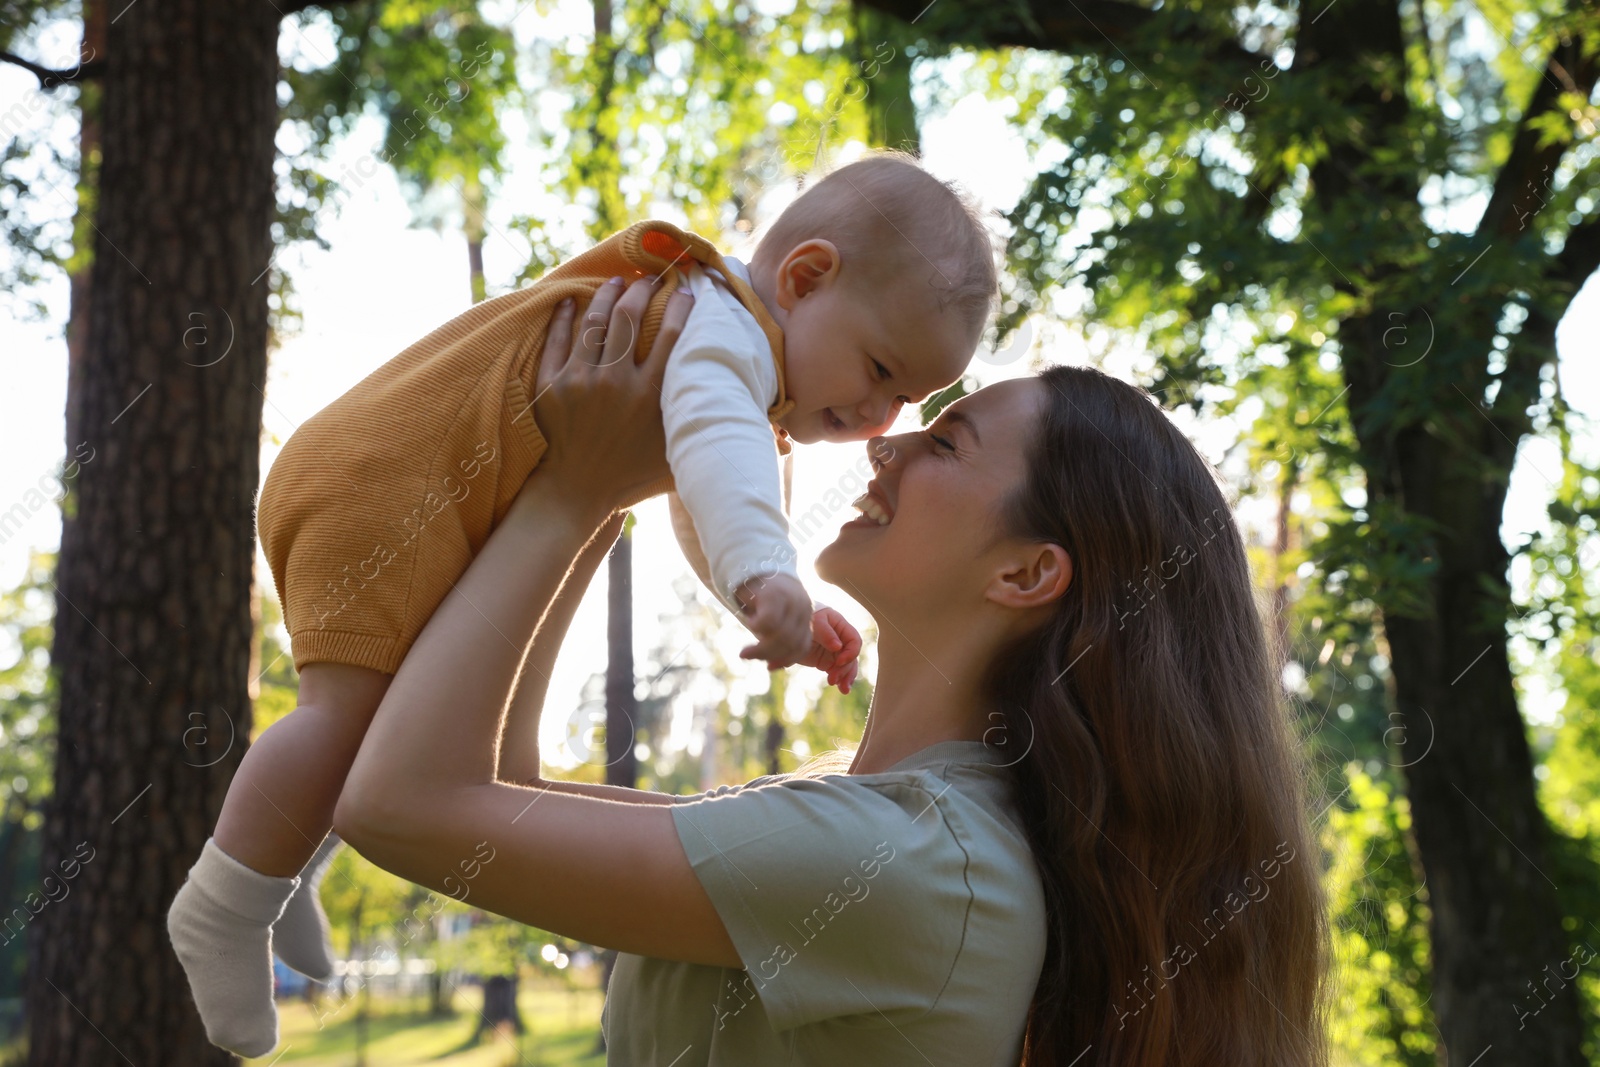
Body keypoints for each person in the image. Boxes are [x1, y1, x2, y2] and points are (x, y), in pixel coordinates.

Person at [330, 282, 1331, 1065]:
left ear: (1026, 571)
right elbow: (503, 791)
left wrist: (571, 489)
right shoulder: (880, 831)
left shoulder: (916, 864)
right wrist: (601, 487)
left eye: (944, 440)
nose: (886, 444)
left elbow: (402, 803)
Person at [166, 153, 998, 1057]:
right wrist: (767, 570)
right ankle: (223, 904)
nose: (879, 419)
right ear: (804, 277)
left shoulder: (722, 345)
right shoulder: (720, 331)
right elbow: (720, 456)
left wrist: (755, 598)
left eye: (907, 398)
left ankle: (277, 874)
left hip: (418, 486)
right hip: (383, 485)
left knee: (386, 718)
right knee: (343, 720)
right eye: (880, 369)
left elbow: (697, 487)